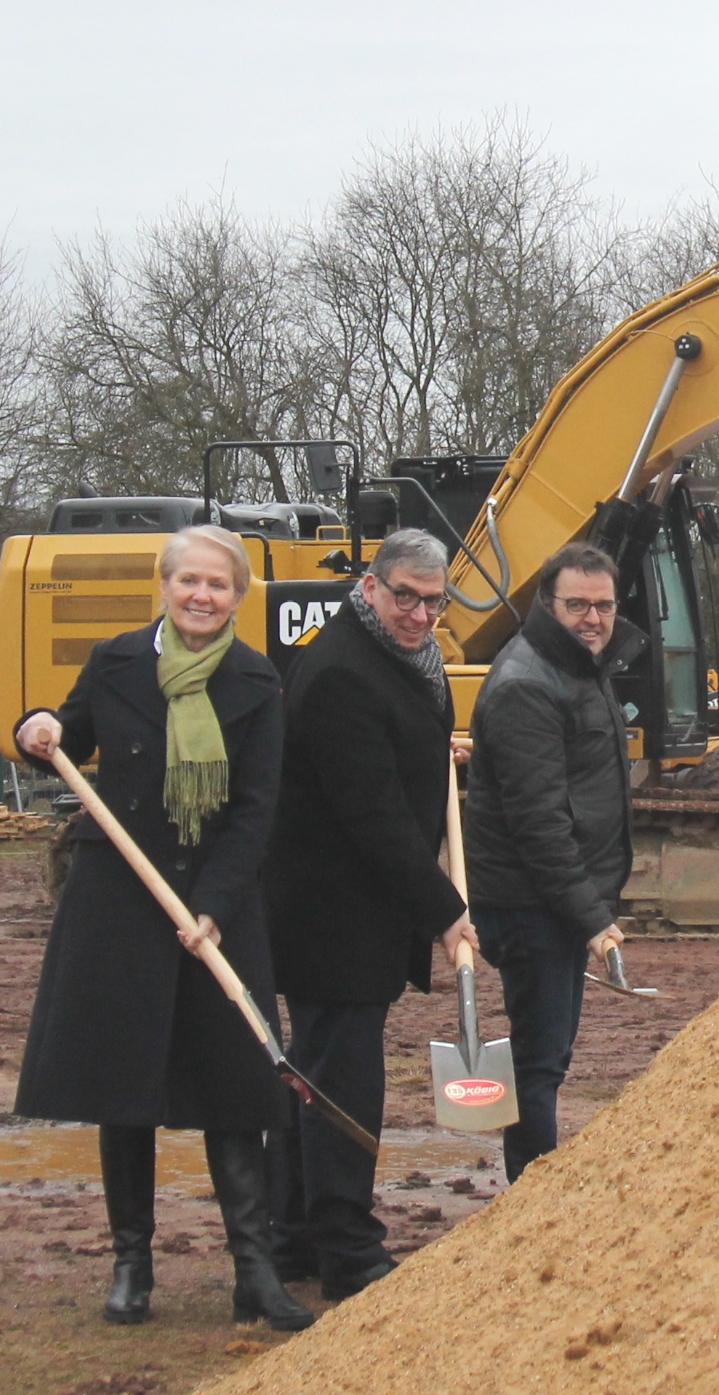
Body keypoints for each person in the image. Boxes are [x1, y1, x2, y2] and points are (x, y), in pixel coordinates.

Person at [13, 525, 311, 1332]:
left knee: (235, 1086)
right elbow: (63, 740)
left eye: (218, 585)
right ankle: (131, 1264)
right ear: (165, 584)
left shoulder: (256, 678)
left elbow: (256, 807)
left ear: (237, 597)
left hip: (217, 904)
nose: (202, 597)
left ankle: (253, 1271)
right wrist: (35, 729)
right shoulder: (114, 662)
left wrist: (214, 903)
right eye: (189, 582)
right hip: (121, 898)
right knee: (126, 1084)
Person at [263, 528, 475, 1301]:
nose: (419, 613)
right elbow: (372, 814)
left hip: (355, 910)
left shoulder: (407, 660)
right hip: (329, 913)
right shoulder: (341, 671)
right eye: (405, 597)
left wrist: (432, 751)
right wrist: (445, 910)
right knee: (339, 1079)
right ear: (371, 587)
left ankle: (292, 1237)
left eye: (433, 600)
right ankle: (348, 1247)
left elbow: (395, 762)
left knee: (310, 1072)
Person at [461, 543, 644, 1182]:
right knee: (538, 1062)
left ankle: (530, 1191)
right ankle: (530, 1195)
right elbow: (539, 825)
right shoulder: (527, 685)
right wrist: (591, 919)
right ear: (547, 604)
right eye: (578, 605)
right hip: (530, 904)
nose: (593, 618)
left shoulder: (578, 668)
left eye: (604, 605)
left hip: (553, 902)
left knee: (547, 1057)